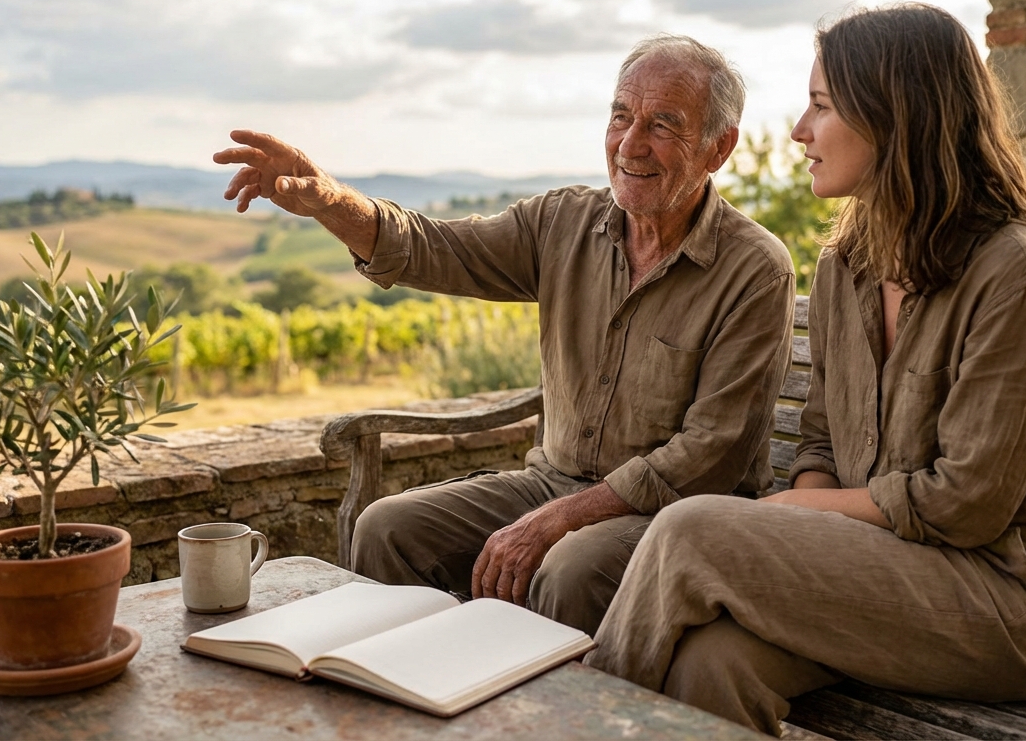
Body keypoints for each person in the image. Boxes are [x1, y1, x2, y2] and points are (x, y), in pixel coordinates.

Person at [585, 3, 1026, 736]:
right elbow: (824, 438)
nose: (800, 129)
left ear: (897, 119)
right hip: (878, 565)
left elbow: (968, 503)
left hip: (1006, 597)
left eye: (822, 106)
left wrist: (794, 518)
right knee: (711, 666)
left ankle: (570, 725)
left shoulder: (1018, 275)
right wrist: (811, 516)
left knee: (691, 530)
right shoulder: (846, 266)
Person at [212, 35, 798, 637]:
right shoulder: (561, 221)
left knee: (569, 569)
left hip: (675, 512)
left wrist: (558, 521)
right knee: (386, 527)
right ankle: (407, 702)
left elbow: (710, 454)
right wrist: (329, 200)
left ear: (718, 147)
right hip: (551, 483)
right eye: (621, 116)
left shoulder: (754, 268)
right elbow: (432, 249)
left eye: (662, 125)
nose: (629, 143)